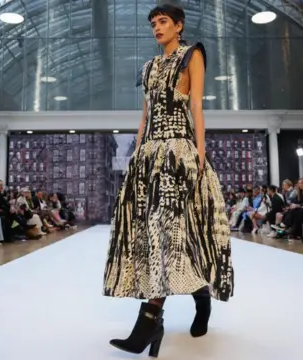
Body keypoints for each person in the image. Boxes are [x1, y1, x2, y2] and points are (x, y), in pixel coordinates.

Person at [103, 4, 234, 358]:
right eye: (152, 23)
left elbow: (196, 106)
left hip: (180, 152)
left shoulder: (192, 55)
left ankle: (154, 318)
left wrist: (200, 152)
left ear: (179, 25)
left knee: (177, 230)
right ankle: (186, 303)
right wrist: (135, 155)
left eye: (162, 22)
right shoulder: (148, 68)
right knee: (158, 233)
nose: (156, 27)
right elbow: (145, 116)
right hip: (150, 158)